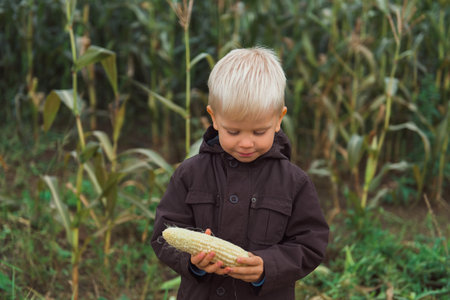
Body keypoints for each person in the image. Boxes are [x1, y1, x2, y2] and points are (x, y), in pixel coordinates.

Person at [151, 47, 329, 299]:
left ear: (279, 119)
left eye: (259, 132)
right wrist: (192, 261)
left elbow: (310, 244)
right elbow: (164, 235)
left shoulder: (294, 182)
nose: (246, 143)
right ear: (214, 117)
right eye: (233, 132)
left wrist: (268, 265)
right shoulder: (189, 174)